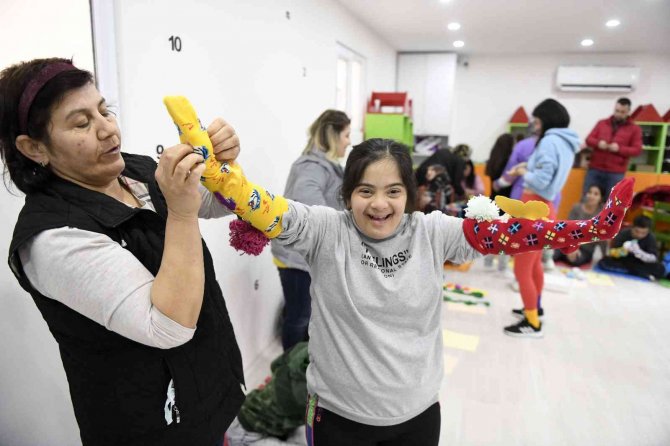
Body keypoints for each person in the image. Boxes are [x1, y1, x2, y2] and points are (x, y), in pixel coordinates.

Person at [191, 119, 631, 443]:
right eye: (365, 190)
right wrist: (223, 176)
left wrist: (591, 228)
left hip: (417, 416)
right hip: (337, 418)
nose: (379, 204)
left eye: (393, 191)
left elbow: (508, 234)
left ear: (411, 194)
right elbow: (262, 208)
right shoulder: (326, 229)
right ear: (347, 196)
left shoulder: (434, 232)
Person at [1, 58, 245, 446]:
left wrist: (223, 168)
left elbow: (216, 203)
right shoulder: (52, 237)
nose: (107, 129)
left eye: (104, 111)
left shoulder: (138, 170)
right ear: (34, 148)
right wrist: (180, 211)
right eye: (82, 123)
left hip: (204, 393)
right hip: (147, 426)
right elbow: (168, 326)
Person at [270, 110, 350, 351]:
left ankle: (302, 360)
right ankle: (289, 370)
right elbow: (311, 208)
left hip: (306, 256)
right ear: (332, 135)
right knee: (299, 317)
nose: (349, 141)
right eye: (346, 135)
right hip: (296, 258)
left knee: (306, 314)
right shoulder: (311, 167)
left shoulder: (328, 166)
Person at [503, 99, 579, 337]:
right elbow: (548, 171)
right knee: (534, 265)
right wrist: (528, 165)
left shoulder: (548, 142)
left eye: (536, 119)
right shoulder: (565, 143)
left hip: (534, 208)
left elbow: (542, 180)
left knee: (521, 270)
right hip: (545, 208)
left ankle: (532, 323)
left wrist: (525, 172)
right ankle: (535, 308)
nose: (534, 124)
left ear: (545, 119)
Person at [584, 97, 642, 195]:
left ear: (628, 112)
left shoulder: (635, 129)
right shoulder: (602, 123)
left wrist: (619, 149)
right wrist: (598, 143)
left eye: (622, 112)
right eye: (617, 111)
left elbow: (637, 150)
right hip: (595, 169)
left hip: (616, 173)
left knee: (611, 204)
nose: (618, 114)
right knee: (586, 199)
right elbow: (588, 139)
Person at [597, 215, 666, 280]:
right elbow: (612, 252)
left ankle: (631, 271)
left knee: (660, 269)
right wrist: (623, 250)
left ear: (648, 231)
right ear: (632, 227)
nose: (639, 235)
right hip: (623, 260)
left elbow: (653, 258)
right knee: (604, 262)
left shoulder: (650, 237)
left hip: (640, 263)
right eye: (637, 231)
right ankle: (639, 273)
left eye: (643, 233)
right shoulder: (624, 233)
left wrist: (639, 252)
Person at [552, 184, 606, 267]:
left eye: (596, 194)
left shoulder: (602, 215)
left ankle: (566, 256)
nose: (591, 196)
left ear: (601, 198)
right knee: (552, 255)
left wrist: (604, 257)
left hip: (586, 249)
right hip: (568, 243)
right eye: (590, 192)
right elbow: (568, 229)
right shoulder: (576, 208)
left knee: (575, 260)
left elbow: (603, 238)